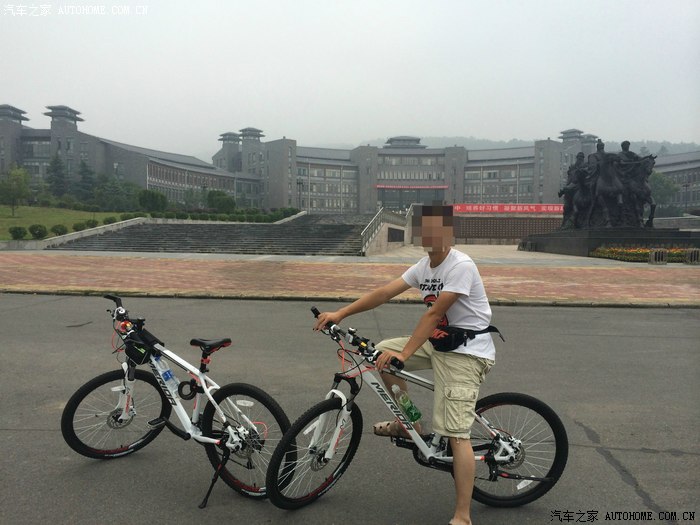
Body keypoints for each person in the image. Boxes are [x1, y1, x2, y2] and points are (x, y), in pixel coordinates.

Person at [314, 204, 498, 525]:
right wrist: (340, 313)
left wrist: (406, 353)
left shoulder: (460, 266)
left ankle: (463, 516)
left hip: (467, 352)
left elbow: (434, 314)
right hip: (440, 343)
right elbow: (385, 292)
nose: (432, 236)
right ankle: (410, 422)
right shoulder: (424, 266)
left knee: (456, 434)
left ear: (449, 234)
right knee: (382, 354)